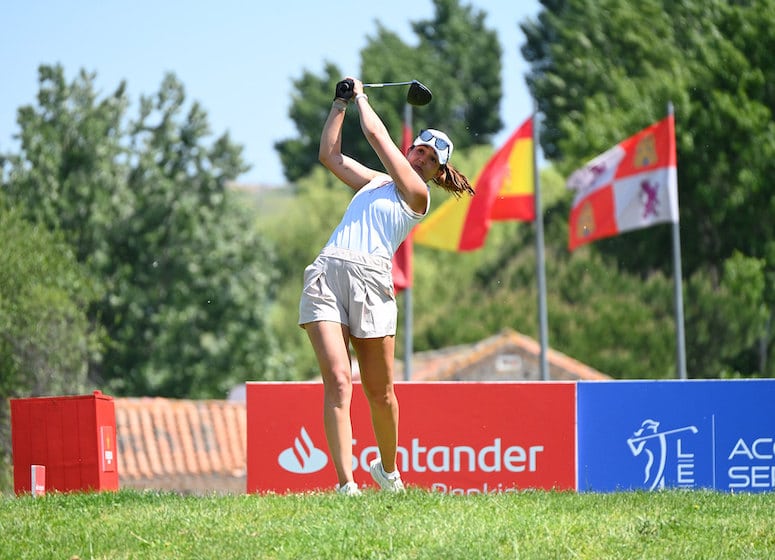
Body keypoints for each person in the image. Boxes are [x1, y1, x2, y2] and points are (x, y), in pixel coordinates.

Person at [298, 77, 474, 496]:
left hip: (371, 282)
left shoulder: (416, 195)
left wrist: (361, 95)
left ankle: (388, 471)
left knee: (381, 394)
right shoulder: (376, 182)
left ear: (435, 173)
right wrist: (339, 105)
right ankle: (346, 486)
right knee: (339, 382)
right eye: (419, 151)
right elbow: (330, 155)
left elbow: (377, 135)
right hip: (327, 273)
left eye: (430, 160)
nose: (420, 160)